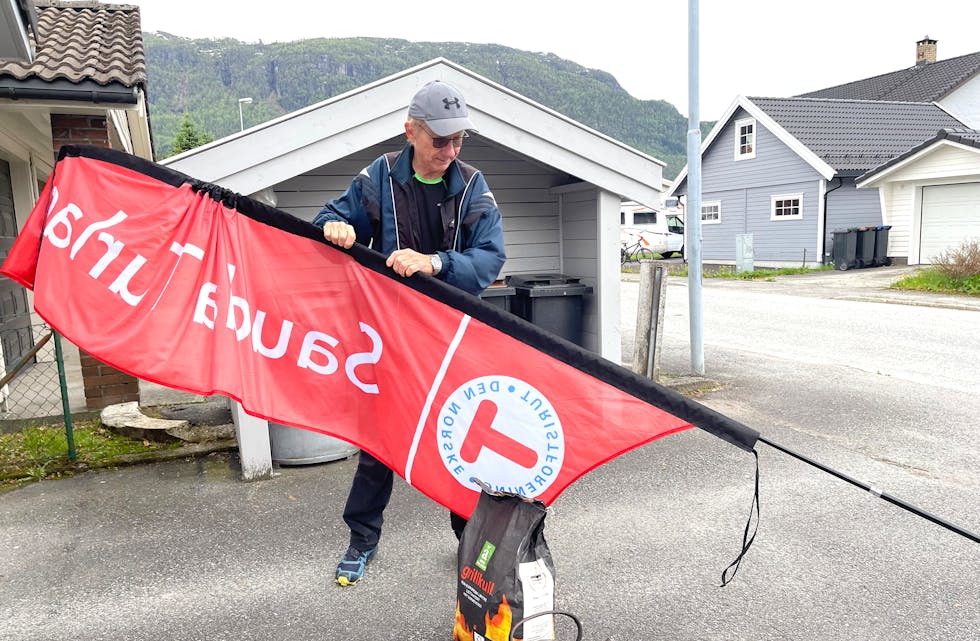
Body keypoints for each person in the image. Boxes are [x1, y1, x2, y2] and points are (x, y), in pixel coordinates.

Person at [312, 80, 506, 587]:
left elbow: (490, 258)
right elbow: (328, 217)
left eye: (459, 139)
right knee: (380, 446)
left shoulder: (472, 183)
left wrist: (435, 262)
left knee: (463, 446)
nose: (451, 149)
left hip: (453, 341)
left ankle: (470, 540)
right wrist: (338, 229)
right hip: (393, 339)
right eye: (441, 140)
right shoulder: (378, 178)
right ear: (411, 132)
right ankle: (361, 542)